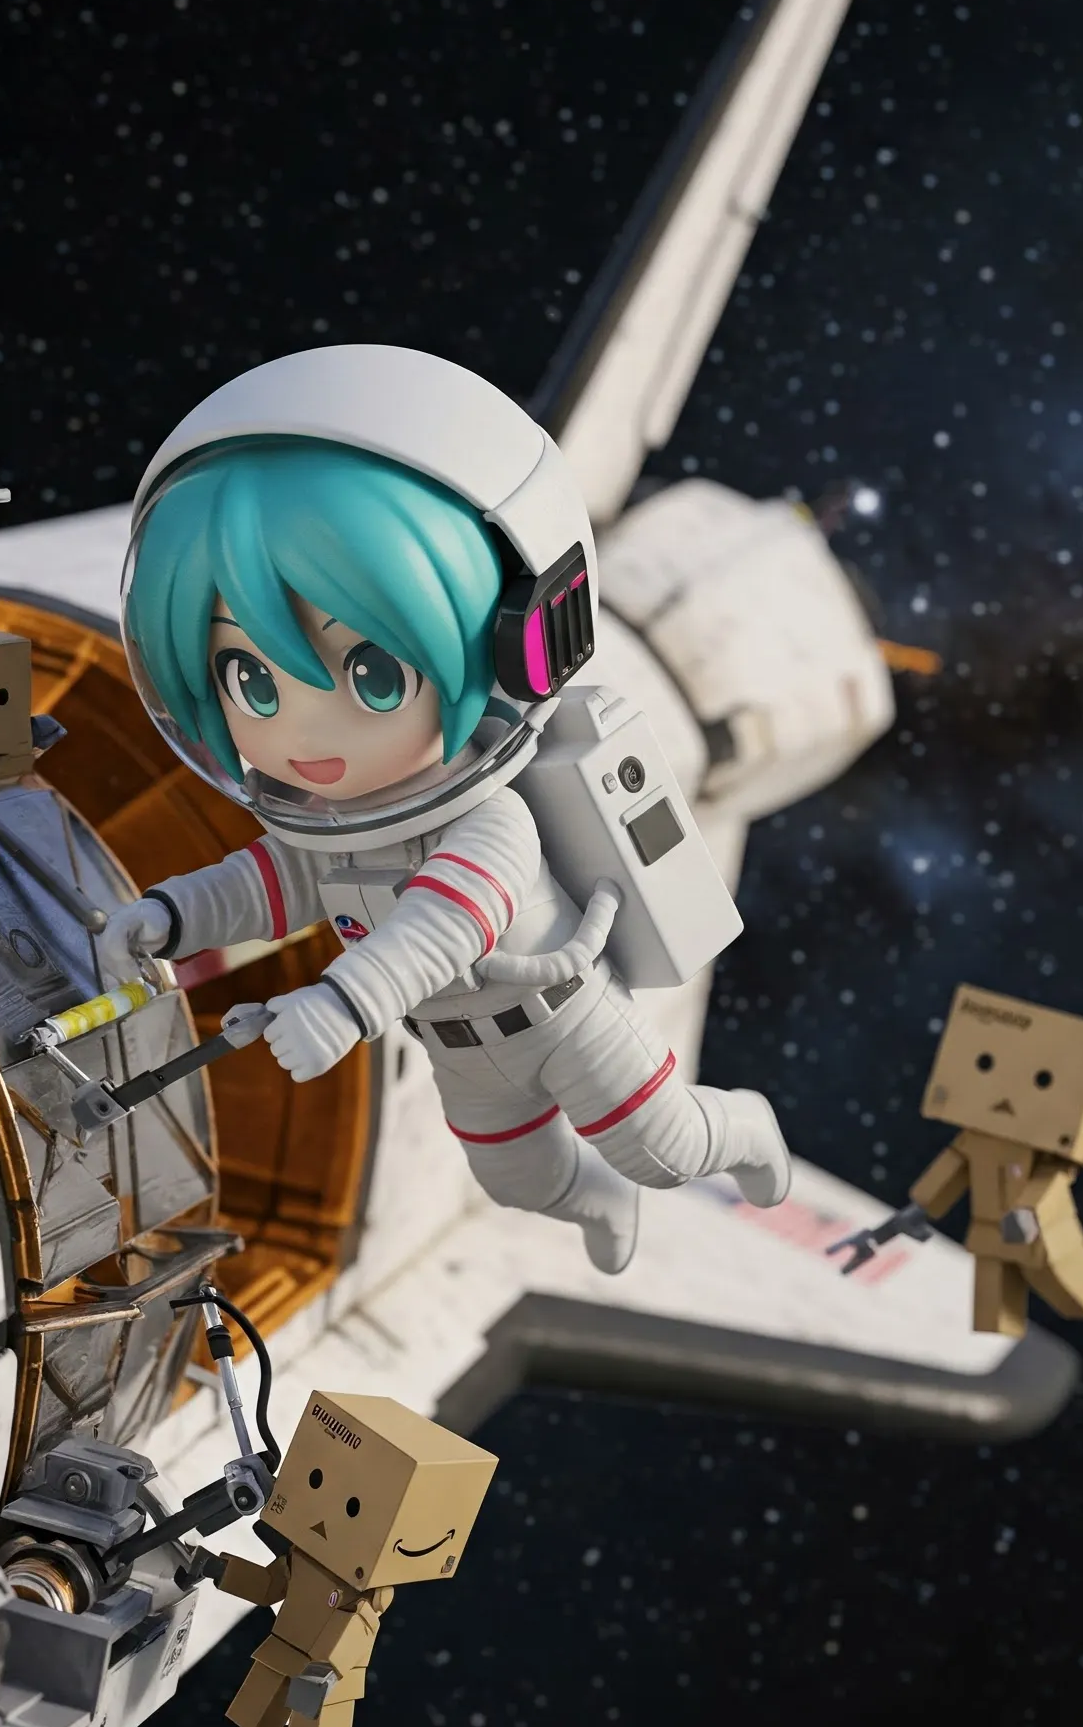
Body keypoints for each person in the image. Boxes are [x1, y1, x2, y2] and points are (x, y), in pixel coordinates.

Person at [101, 345, 791, 1273]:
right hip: (459, 1049)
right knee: (518, 1180)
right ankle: (592, 1200)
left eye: (372, 673)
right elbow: (261, 886)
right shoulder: (325, 828)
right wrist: (173, 916)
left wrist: (345, 1002)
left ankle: (743, 1128)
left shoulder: (493, 824)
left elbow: (443, 924)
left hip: (569, 1018)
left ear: (519, 647)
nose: (305, 730)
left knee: (662, 1149)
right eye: (250, 681)